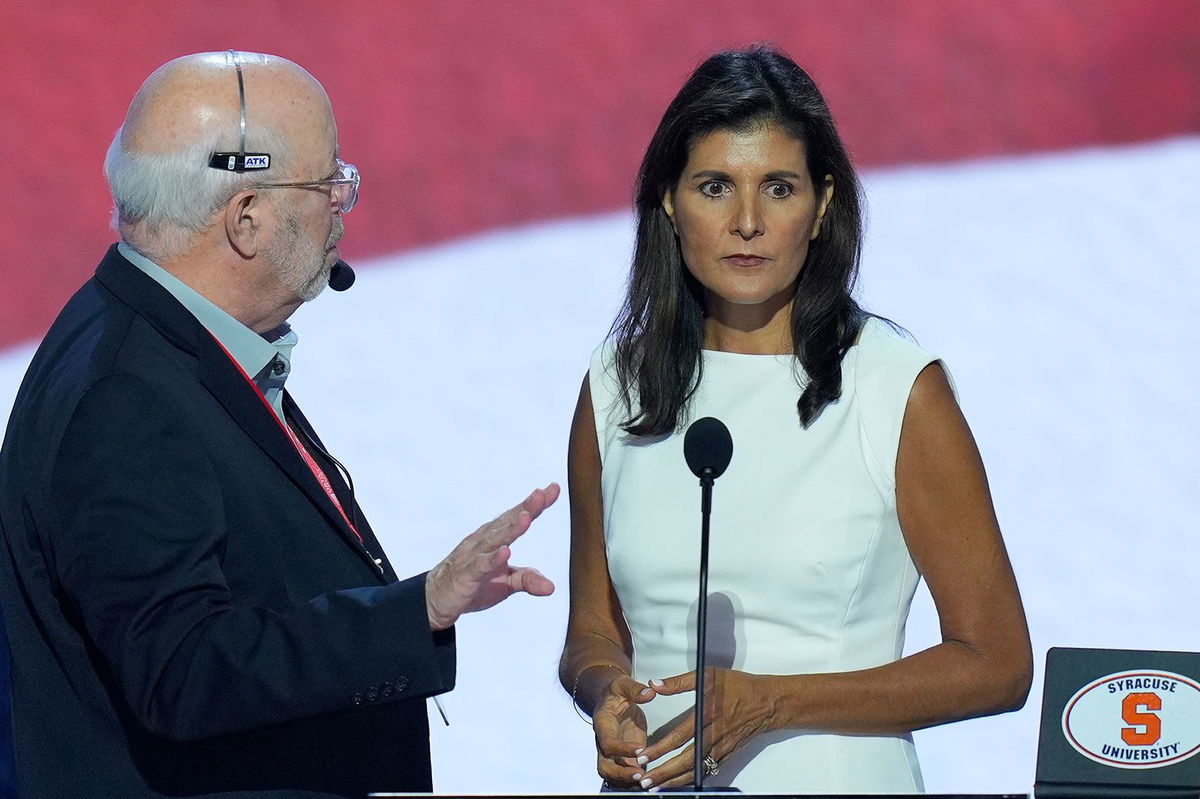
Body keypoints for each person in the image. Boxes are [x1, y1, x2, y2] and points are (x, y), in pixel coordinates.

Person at [0, 51, 558, 798]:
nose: (342, 201)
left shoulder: (156, 337)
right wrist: (412, 612)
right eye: (326, 181)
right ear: (247, 218)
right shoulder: (124, 400)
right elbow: (185, 670)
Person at [559, 45, 1033, 793]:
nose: (746, 221)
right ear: (669, 205)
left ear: (821, 208)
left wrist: (776, 700)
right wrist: (604, 689)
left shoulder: (896, 388)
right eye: (715, 186)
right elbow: (593, 630)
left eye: (778, 188)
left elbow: (997, 664)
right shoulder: (615, 386)